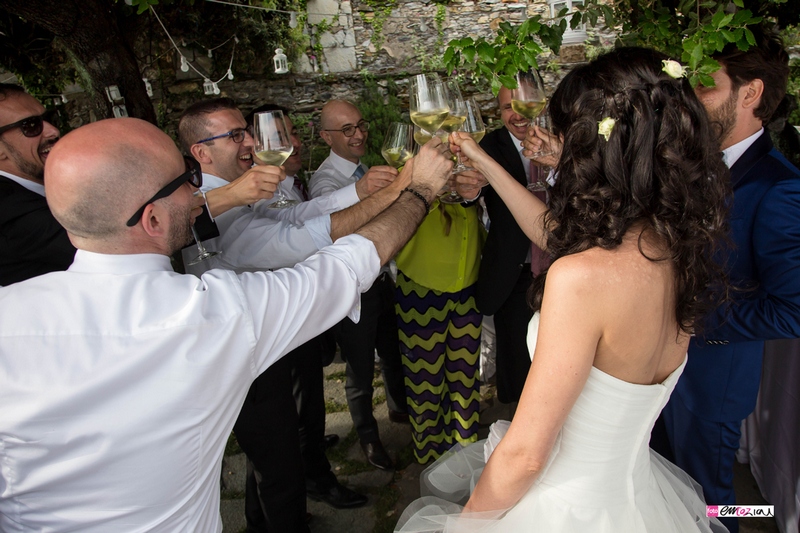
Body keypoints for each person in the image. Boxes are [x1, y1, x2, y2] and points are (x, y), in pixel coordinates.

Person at [0, 116, 452, 532]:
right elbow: (344, 268)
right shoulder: (217, 315)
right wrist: (421, 191)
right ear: (153, 218)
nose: (200, 196)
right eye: (189, 183)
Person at [395, 47, 729, 532]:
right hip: (630, 496)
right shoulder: (674, 244)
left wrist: (465, 525)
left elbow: (527, 456)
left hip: (566, 507)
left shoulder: (582, 277)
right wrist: (483, 161)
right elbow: (553, 232)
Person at [178, 98, 409, 529]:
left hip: (264, 335)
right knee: (280, 462)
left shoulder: (240, 189)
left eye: (246, 131)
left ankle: (257, 520)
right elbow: (290, 241)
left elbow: (294, 216)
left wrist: (358, 192)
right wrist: (397, 197)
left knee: (267, 452)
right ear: (201, 152)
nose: (249, 141)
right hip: (240, 349)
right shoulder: (204, 205)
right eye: (235, 135)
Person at [650, 25, 800, 533]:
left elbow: (793, 308)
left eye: (704, 86)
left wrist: (694, 318)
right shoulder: (694, 162)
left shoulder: (780, 187)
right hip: (659, 367)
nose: (689, 100)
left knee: (709, 499)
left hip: (713, 376)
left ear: (751, 93)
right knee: (663, 484)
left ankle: (750, 519)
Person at [309, 99, 407, 471]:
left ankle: (399, 411)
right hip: (354, 291)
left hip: (381, 279)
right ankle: (368, 438)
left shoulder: (365, 167)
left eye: (361, 124)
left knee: (393, 351)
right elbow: (334, 234)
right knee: (360, 366)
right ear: (326, 137)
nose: (360, 133)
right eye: (347, 129)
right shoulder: (326, 181)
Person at [394, 193, 485, 464]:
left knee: (466, 378)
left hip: (468, 287)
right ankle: (430, 460)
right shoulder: (413, 164)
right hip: (420, 288)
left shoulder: (474, 165)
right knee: (425, 384)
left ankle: (467, 454)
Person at [472, 85, 545, 405]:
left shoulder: (567, 137)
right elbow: (471, 192)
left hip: (559, 267)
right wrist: (468, 192)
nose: (516, 115)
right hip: (514, 270)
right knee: (516, 355)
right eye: (506, 108)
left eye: (523, 105)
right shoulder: (487, 145)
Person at [0, 84, 71, 285]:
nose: (53, 131)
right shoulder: (9, 210)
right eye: (31, 126)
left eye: (49, 118)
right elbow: (112, 245)